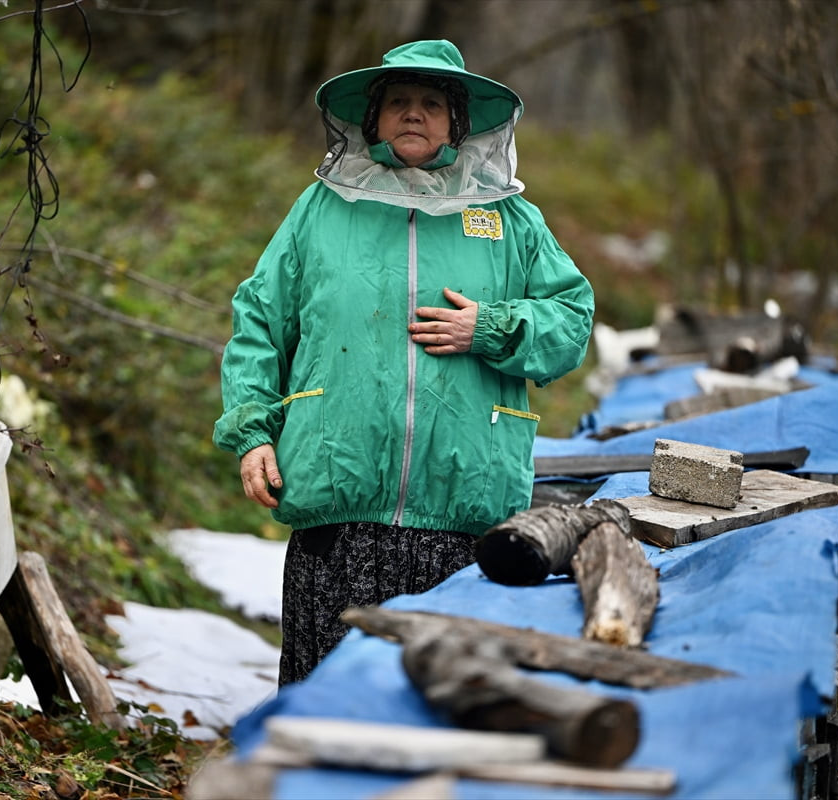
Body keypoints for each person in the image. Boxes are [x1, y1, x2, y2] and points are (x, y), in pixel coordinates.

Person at [214, 39, 594, 685]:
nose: (412, 114)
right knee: (321, 692)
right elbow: (260, 319)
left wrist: (492, 327)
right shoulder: (321, 210)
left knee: (436, 702)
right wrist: (252, 431)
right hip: (338, 504)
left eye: (429, 103)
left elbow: (571, 321)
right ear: (372, 119)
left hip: (462, 508)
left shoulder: (509, 219)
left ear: (457, 122)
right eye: (397, 102)